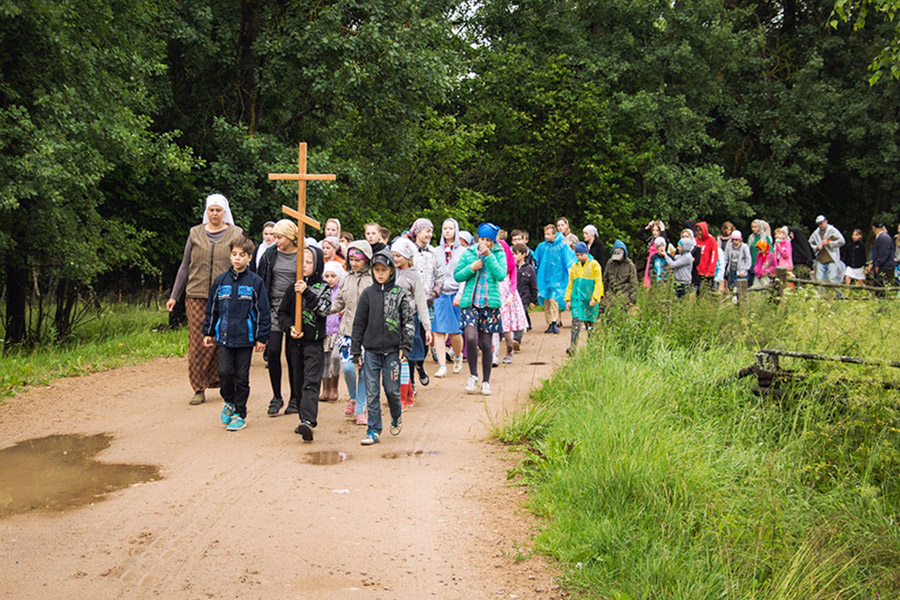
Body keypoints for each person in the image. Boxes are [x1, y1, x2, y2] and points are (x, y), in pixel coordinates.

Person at [166, 193, 245, 406]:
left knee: (224, 339)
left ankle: (222, 382)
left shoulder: (235, 233)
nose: (215, 214)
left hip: (226, 295)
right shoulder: (195, 234)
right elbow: (184, 266)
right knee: (198, 342)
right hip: (197, 295)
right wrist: (174, 296)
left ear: (225, 212)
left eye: (219, 210)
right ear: (206, 211)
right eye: (211, 210)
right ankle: (198, 387)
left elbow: (243, 263)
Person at [201, 236, 270, 431]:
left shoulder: (255, 282)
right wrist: (208, 331)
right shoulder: (221, 281)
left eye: (242, 255)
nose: (237, 258)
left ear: (249, 257)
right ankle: (228, 401)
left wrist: (261, 337)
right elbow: (212, 308)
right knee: (224, 373)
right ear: (230, 256)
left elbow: (262, 311)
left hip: (245, 338)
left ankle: (240, 413)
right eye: (234, 254)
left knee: (241, 376)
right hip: (224, 336)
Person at [351, 250, 415, 446]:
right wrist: (355, 350)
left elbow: (408, 321)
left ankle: (396, 416)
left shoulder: (399, 294)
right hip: (370, 352)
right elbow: (358, 323)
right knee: (372, 392)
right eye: (377, 270)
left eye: (384, 270)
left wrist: (405, 347)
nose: (380, 274)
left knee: (392, 390)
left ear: (391, 271)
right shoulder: (367, 294)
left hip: (393, 352)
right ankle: (373, 429)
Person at [277, 245, 332, 441]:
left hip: (313, 344)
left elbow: (324, 309)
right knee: (297, 381)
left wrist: (307, 291)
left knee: (311, 381)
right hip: (294, 343)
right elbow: (282, 313)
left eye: (309, 262)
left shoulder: (323, 287)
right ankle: (303, 418)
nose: (305, 265)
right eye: (302, 262)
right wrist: (290, 327)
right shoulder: (292, 288)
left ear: (317, 265)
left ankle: (309, 420)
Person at [454, 223, 507, 396]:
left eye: (488, 240)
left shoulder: (499, 253)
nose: (484, 243)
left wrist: (489, 256)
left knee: (486, 343)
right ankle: (473, 375)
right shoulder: (469, 252)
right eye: (481, 239)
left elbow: (500, 275)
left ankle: (486, 381)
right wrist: (471, 268)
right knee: (470, 338)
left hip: (489, 305)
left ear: (493, 241)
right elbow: (457, 274)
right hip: (470, 302)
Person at [257, 219, 301, 417]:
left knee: (293, 355)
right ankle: (276, 396)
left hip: (293, 309)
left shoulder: (302, 255)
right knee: (273, 351)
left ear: (291, 237)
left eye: (279, 237)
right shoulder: (270, 255)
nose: (275, 240)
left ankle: (295, 397)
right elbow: (261, 280)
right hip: (274, 307)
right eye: (273, 237)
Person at [332, 240, 374, 425]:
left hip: (369, 333)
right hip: (347, 331)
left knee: (365, 372)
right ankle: (353, 396)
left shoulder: (374, 278)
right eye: (351, 259)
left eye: (358, 259)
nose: (355, 263)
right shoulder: (346, 278)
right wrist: (322, 309)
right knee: (348, 367)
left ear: (366, 259)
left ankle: (360, 410)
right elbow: (339, 303)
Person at [391, 237, 433, 410]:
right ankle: (399, 392)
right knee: (394, 358)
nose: (395, 259)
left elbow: (421, 302)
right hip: (392, 321)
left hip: (410, 321)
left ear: (407, 256)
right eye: (393, 255)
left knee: (406, 358)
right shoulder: (389, 272)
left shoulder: (414, 275)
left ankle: (406, 393)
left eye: (398, 256)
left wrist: (427, 328)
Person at [408, 218, 443, 385]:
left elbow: (440, 276)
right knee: (410, 339)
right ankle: (411, 381)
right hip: (409, 304)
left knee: (424, 338)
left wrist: (435, 292)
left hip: (427, 303)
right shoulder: (408, 251)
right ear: (417, 232)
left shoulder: (433, 253)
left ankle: (420, 365)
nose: (430, 234)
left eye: (431, 231)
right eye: (427, 231)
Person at [433, 218, 465, 377]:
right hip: (440, 294)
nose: (447, 231)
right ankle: (442, 366)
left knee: (454, 333)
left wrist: (460, 295)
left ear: (456, 231)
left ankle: (458, 356)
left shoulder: (463, 252)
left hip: (455, 294)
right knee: (438, 331)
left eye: (450, 228)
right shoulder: (435, 251)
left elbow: (466, 276)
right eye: (445, 228)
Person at [534, 224, 576, 334]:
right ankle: (550, 323)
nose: (546, 236)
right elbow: (536, 260)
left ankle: (554, 321)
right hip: (544, 277)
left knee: (554, 300)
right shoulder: (542, 246)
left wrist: (569, 271)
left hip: (558, 278)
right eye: (545, 234)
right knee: (547, 301)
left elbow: (569, 259)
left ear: (554, 234)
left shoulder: (562, 246)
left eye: (549, 234)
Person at [564, 242, 604, 354]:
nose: (579, 257)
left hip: (589, 300)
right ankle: (573, 347)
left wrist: (595, 298)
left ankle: (592, 346)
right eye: (577, 255)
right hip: (577, 299)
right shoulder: (574, 266)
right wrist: (568, 299)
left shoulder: (594, 265)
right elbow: (571, 284)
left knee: (590, 324)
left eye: (581, 254)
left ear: (586, 253)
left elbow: (598, 283)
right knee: (575, 323)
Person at [496, 237, 528, 364]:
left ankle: (509, 350)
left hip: (507, 298)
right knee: (493, 329)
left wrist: (510, 295)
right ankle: (494, 355)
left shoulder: (511, 264)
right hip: (494, 297)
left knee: (507, 329)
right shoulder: (492, 264)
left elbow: (513, 282)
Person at [319, 262, 345, 402]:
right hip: (325, 330)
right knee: (324, 359)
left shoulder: (341, 291)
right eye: (327, 276)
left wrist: (343, 311)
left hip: (338, 330)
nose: (329, 279)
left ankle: (334, 387)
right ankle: (325, 389)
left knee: (336, 357)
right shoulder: (322, 290)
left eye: (333, 276)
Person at [512, 243, 538, 348]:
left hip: (524, 298)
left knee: (519, 317)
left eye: (516, 254)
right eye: (513, 254)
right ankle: (511, 336)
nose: (514, 256)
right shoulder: (511, 267)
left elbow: (533, 286)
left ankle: (516, 339)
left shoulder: (529, 269)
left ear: (523, 255)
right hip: (512, 298)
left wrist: (533, 301)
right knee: (512, 317)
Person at [809, 215, 846, 284]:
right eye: (818, 224)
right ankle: (821, 294)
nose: (820, 225)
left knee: (832, 279)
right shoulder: (816, 233)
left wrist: (829, 243)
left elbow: (842, 241)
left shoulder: (832, 230)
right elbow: (810, 244)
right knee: (819, 280)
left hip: (831, 259)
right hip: (820, 259)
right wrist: (817, 247)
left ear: (826, 222)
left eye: (821, 223)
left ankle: (838, 294)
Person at [602, 240, 638, 309]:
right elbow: (605, 280)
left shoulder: (630, 265)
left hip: (624, 296)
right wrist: (602, 295)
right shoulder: (610, 263)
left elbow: (634, 284)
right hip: (610, 296)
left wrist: (632, 300)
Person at [664, 233, 695, 299]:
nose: (678, 249)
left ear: (685, 247)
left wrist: (665, 255)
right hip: (677, 281)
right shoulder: (681, 255)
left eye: (680, 247)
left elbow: (673, 264)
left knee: (682, 301)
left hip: (684, 283)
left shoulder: (687, 257)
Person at [694, 221, 719, 293]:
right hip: (697, 271)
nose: (698, 233)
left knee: (706, 292)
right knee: (697, 292)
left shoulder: (711, 240)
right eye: (697, 231)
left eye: (700, 230)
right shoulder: (695, 241)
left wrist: (710, 271)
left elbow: (714, 256)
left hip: (707, 272)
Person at [640, 221, 667, 288]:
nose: (655, 232)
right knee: (648, 282)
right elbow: (638, 235)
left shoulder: (662, 241)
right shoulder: (650, 240)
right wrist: (647, 227)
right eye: (653, 230)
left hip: (658, 262)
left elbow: (665, 240)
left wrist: (663, 229)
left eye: (657, 230)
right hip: (650, 262)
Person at [870, 221, 895, 289]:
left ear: (874, 228)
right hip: (883, 264)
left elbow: (883, 253)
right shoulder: (881, 237)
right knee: (878, 284)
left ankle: (881, 299)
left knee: (880, 285)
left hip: (884, 265)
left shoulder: (883, 237)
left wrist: (877, 264)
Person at [747, 219, 772, 287]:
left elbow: (770, 251)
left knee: (762, 283)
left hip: (762, 263)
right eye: (752, 227)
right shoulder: (750, 238)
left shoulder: (765, 237)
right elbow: (747, 250)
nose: (753, 229)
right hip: (752, 263)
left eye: (755, 227)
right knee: (751, 283)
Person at [716, 222, 734, 294]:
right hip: (720, 258)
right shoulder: (718, 238)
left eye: (730, 230)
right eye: (727, 229)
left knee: (727, 277)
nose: (729, 231)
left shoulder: (732, 239)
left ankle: (728, 292)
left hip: (728, 259)